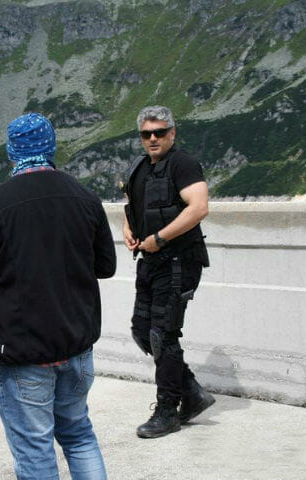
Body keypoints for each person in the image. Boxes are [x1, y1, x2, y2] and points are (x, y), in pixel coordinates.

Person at [0, 112, 116, 480]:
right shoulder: (86, 198)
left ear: (11, 152)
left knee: (35, 450)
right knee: (79, 435)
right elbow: (106, 266)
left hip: (24, 351)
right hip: (77, 345)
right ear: (52, 146)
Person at [122, 105, 215, 439]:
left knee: (163, 333)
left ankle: (168, 411)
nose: (153, 138)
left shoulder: (183, 164)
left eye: (159, 132)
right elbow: (132, 207)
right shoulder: (140, 167)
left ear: (172, 133)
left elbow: (199, 207)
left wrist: (160, 238)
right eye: (146, 134)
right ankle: (191, 392)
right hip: (150, 261)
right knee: (142, 330)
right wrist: (128, 230)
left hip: (178, 261)